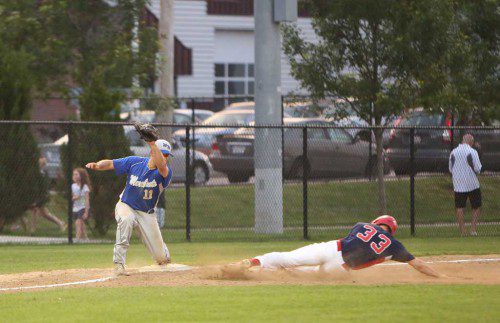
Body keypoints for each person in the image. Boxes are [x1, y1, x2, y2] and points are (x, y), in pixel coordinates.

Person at [225, 215, 443, 278]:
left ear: (377, 223)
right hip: (340, 268)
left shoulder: (362, 224)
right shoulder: (394, 246)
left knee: (288, 258)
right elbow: (419, 264)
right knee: (304, 274)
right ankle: (262, 273)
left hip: (332, 249)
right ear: (392, 230)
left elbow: (358, 240)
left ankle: (250, 263)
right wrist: (440, 277)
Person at [85, 136, 173, 276]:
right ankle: (119, 264)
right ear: (152, 152)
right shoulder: (134, 162)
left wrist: (152, 143)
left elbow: (161, 165)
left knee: (162, 259)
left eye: (168, 155)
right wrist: (97, 165)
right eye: (163, 154)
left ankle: (163, 255)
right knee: (126, 220)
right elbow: (110, 164)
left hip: (146, 214)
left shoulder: (164, 173)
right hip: (126, 205)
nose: (165, 158)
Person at [449, 134, 482, 236]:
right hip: (472, 183)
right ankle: (473, 230)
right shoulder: (472, 151)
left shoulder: (453, 152)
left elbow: (450, 168)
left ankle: (462, 231)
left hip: (458, 184)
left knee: (459, 207)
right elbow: (478, 168)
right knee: (476, 206)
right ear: (471, 142)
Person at [26, 156, 67, 233]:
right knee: (43, 213)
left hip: (40, 195)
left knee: (37, 210)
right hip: (34, 194)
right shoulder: (35, 172)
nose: (43, 163)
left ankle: (32, 230)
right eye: (41, 162)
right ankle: (60, 223)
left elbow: (45, 185)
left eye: (43, 162)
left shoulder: (43, 172)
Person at [72, 167, 91, 241]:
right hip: (75, 207)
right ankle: (85, 237)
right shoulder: (73, 186)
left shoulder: (85, 187)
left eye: (76, 174)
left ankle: (78, 238)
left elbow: (86, 199)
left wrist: (86, 211)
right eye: (74, 175)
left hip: (82, 207)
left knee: (78, 222)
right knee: (81, 223)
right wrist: (74, 198)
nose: (74, 176)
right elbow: (73, 196)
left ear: (81, 176)